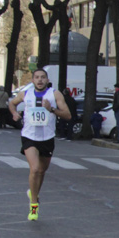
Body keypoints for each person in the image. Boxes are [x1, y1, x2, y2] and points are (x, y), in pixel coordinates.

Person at [8, 68, 71, 221]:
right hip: (29, 136)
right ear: (32, 80)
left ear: (47, 80)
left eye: (43, 77)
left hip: (47, 137)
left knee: (42, 171)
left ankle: (33, 192)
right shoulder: (25, 93)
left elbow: (68, 115)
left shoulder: (55, 94)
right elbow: (12, 103)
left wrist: (52, 109)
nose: (40, 80)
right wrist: (14, 113)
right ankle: (34, 205)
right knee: (35, 168)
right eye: (37, 77)